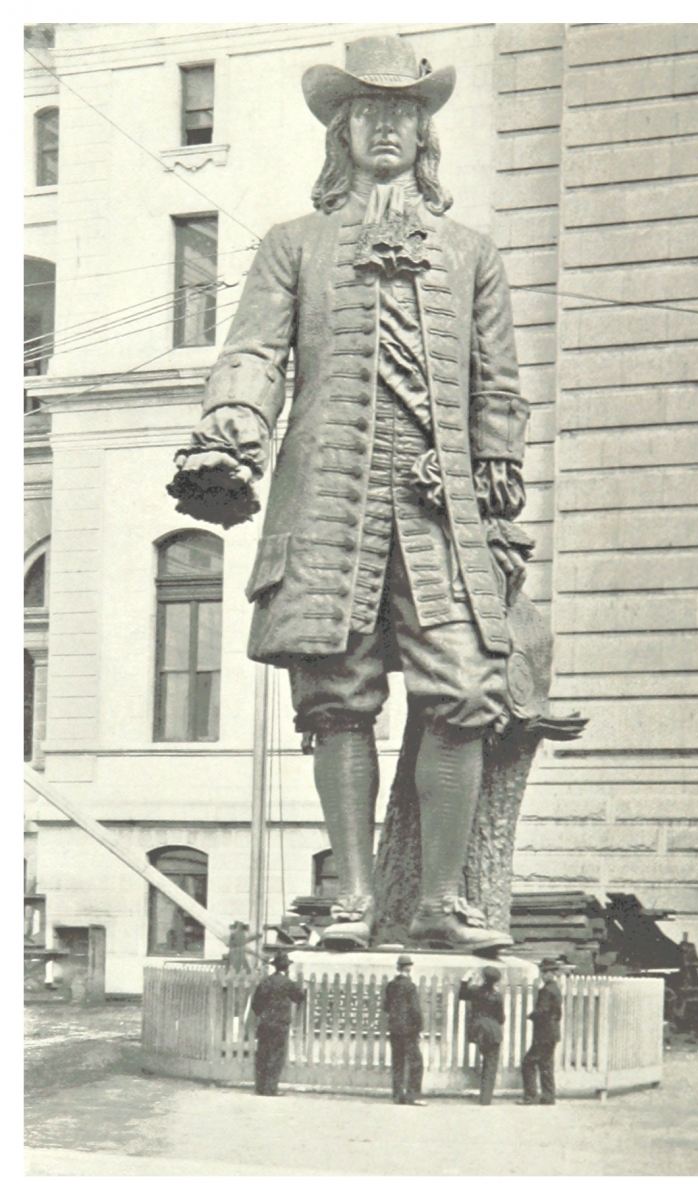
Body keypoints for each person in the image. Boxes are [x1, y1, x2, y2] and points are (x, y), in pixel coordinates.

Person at [168, 34, 530, 953]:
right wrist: (233, 431)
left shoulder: (472, 253)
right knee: (338, 696)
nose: (384, 130)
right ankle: (353, 902)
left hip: (439, 507)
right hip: (328, 499)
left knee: (462, 691)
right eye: (365, 114)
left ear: (424, 134)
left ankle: (441, 905)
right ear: (340, 132)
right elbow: (253, 353)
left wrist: (496, 459)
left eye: (401, 115)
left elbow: (498, 380)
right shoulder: (294, 246)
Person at [250, 951, 305, 1096]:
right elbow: (299, 997)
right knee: (276, 1054)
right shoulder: (287, 983)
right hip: (280, 1023)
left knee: (262, 1053)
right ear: (286, 968)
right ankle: (270, 1088)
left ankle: (260, 1088)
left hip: (265, 1022)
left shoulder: (266, 981)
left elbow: (255, 1003)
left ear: (275, 967)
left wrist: (262, 1014)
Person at [382, 953, 427, 1105]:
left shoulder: (391, 985)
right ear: (409, 969)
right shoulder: (410, 986)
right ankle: (413, 1096)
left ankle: (398, 1095)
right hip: (409, 1030)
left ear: (397, 968)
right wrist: (419, 1028)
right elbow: (415, 1009)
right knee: (416, 1063)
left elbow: (386, 1006)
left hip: (395, 1029)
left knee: (398, 1061)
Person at [518, 958, 562, 1105]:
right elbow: (558, 1013)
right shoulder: (555, 988)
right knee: (546, 1065)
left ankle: (530, 1096)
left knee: (528, 1062)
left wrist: (531, 1015)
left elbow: (542, 1011)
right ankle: (548, 1097)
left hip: (544, 1034)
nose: (543, 975)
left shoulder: (546, 990)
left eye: (545, 972)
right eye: (543, 972)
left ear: (551, 973)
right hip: (553, 1032)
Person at [459, 965, 505, 1105]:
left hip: (478, 1030)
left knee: (485, 1058)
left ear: (484, 978)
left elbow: (462, 995)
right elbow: (501, 1018)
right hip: (493, 1031)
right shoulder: (497, 996)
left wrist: (465, 979)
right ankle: (486, 1098)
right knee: (490, 1064)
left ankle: (484, 1096)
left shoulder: (475, 991)